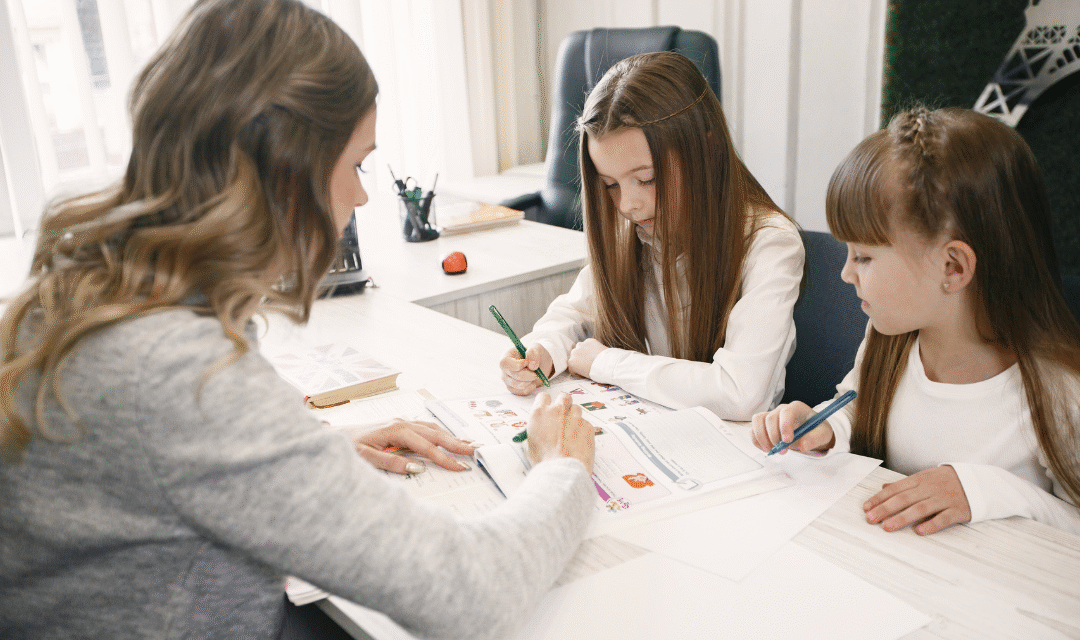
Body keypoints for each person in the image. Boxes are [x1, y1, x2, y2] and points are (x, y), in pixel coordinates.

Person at [0, 1, 596, 638]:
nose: (361, 195)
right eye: (356, 165)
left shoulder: (85, 280)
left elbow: (154, 470)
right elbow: (473, 592)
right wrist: (564, 468)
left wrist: (307, 456)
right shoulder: (182, 370)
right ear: (287, 170)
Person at [751, 108, 1080, 536]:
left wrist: (983, 489)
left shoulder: (1060, 390)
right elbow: (857, 410)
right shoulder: (888, 337)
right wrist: (825, 429)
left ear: (953, 267)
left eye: (864, 257)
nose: (845, 273)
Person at [499, 52, 804, 421]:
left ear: (707, 150)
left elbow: (739, 393)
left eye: (647, 179)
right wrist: (542, 350)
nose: (628, 205)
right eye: (610, 184)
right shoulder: (636, 232)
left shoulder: (770, 243)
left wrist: (606, 362)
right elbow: (574, 313)